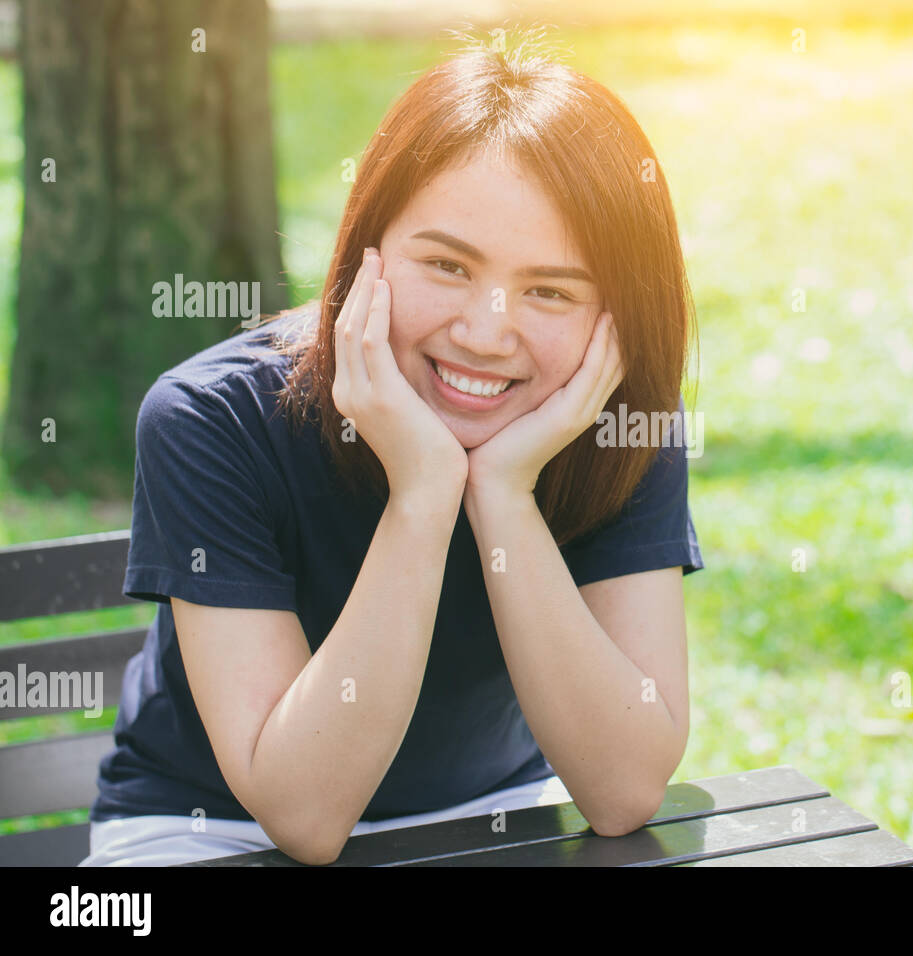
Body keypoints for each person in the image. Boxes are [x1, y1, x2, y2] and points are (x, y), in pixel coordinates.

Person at [79, 35, 703, 867]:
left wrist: (506, 496)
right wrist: (423, 495)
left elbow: (625, 791)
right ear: (365, 255)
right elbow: (304, 816)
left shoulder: (612, 423)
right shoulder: (210, 421)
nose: (485, 332)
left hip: (499, 816)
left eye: (549, 290)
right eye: (446, 265)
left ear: (613, 317)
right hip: (213, 833)